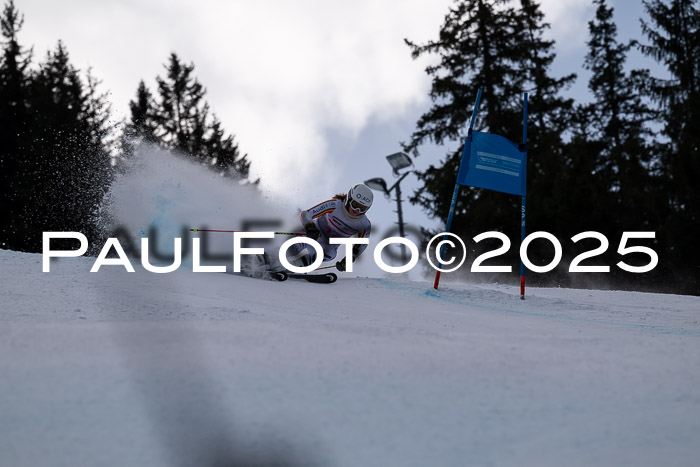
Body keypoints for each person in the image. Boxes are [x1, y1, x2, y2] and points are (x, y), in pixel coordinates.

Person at [290, 183, 373, 271]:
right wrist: (309, 226)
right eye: (355, 205)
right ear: (349, 199)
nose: (357, 210)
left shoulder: (364, 224)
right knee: (301, 238)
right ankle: (281, 254)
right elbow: (305, 214)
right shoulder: (335, 205)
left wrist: (348, 260)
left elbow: (362, 244)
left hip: (329, 244)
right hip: (315, 231)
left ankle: (300, 265)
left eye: (362, 208)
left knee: (330, 254)